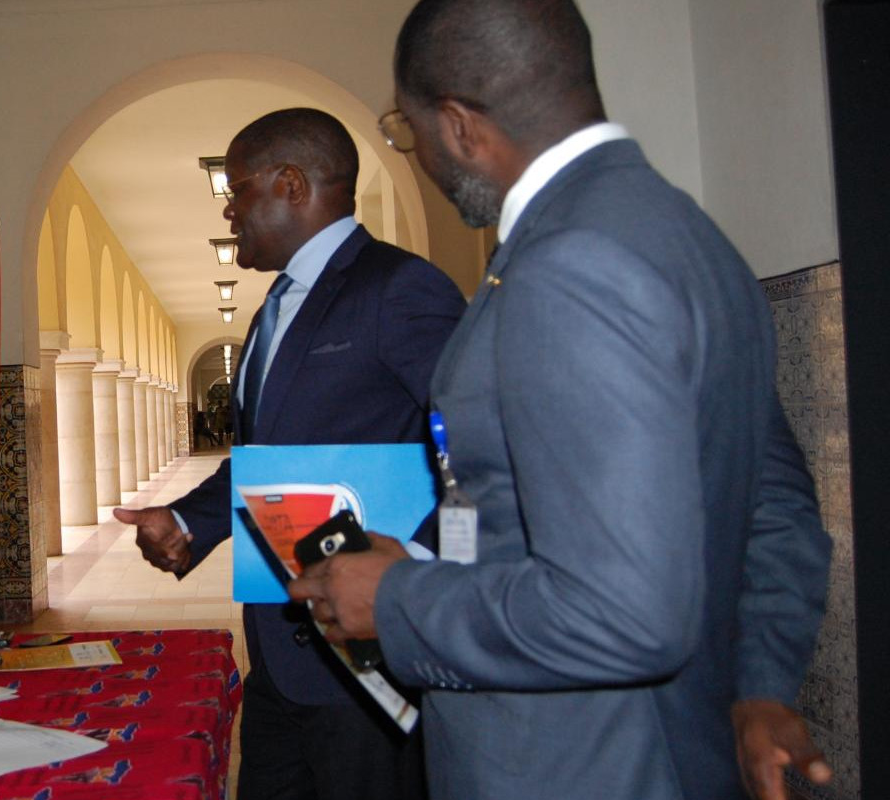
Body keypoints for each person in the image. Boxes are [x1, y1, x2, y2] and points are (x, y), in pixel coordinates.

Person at [286, 2, 833, 799]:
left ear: (460, 126)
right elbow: (773, 502)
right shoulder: (684, 236)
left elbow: (622, 615)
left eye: (411, 133)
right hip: (668, 741)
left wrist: (400, 598)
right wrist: (762, 681)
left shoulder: (571, 266)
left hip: (574, 762)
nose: (427, 162)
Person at [114, 108, 464, 800]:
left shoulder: (399, 289)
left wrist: (413, 573)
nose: (230, 208)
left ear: (293, 184)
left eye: (239, 189)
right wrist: (190, 524)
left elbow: (484, 450)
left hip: (367, 665)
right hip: (276, 656)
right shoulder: (277, 305)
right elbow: (266, 454)